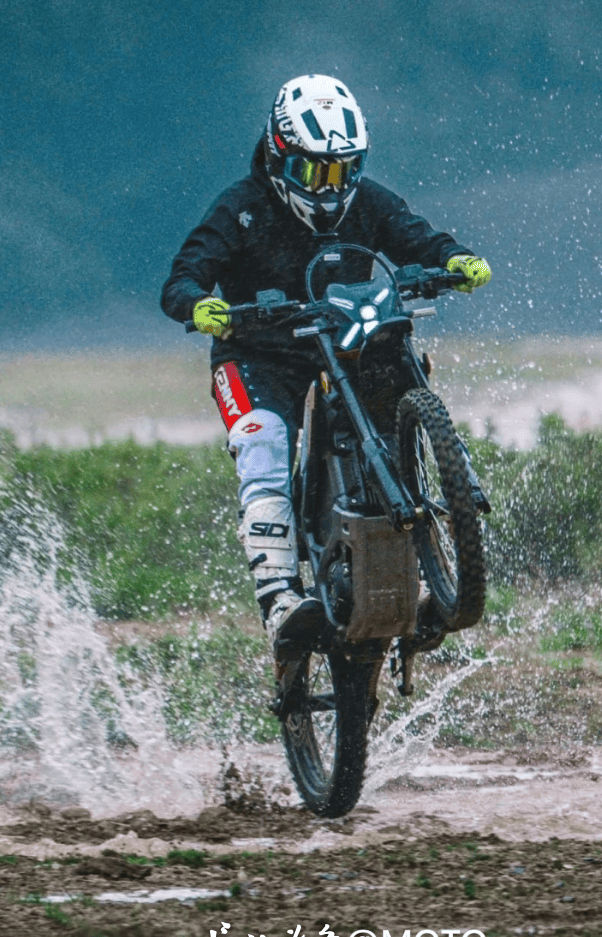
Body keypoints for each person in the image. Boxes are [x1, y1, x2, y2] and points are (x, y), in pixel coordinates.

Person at [160, 74, 491, 646]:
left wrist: (456, 258)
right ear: (279, 157)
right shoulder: (241, 208)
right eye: (316, 172)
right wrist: (200, 305)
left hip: (346, 341)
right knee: (262, 442)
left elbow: (417, 238)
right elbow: (182, 278)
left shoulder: (371, 201)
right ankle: (280, 599)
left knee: (399, 364)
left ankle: (433, 553)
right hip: (258, 353)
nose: (331, 187)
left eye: (344, 170)